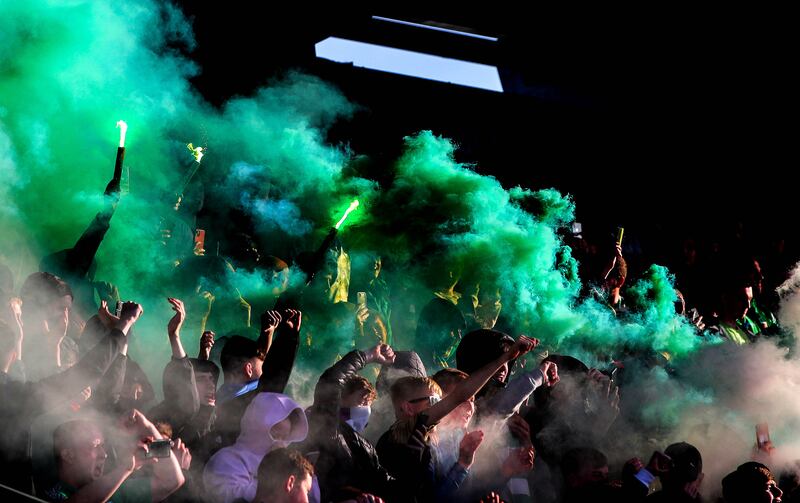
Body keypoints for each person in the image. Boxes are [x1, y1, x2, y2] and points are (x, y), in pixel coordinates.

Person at [299, 343, 398, 502]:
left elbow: (383, 481)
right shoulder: (326, 427)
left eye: (369, 404)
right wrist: (368, 356)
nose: (366, 410)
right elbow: (330, 382)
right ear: (341, 399)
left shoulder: (364, 445)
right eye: (362, 401)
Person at [44, 410, 185, 502]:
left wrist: (147, 427)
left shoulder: (116, 491)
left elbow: (172, 480)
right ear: (68, 455)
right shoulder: (54, 495)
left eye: (103, 446)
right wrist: (127, 468)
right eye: (95, 445)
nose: (104, 455)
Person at [203, 392, 308, 503]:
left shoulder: (277, 468)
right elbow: (232, 497)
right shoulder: (226, 459)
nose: (280, 444)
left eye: (284, 437)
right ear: (257, 427)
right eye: (276, 435)